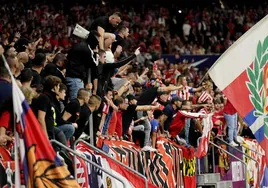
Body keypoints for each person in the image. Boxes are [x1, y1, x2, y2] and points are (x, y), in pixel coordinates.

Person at [66, 31, 100, 99]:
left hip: (71, 75)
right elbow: (94, 64)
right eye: (97, 40)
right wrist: (96, 53)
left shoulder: (78, 45)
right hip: (76, 78)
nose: (98, 43)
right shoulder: (87, 48)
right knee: (76, 101)